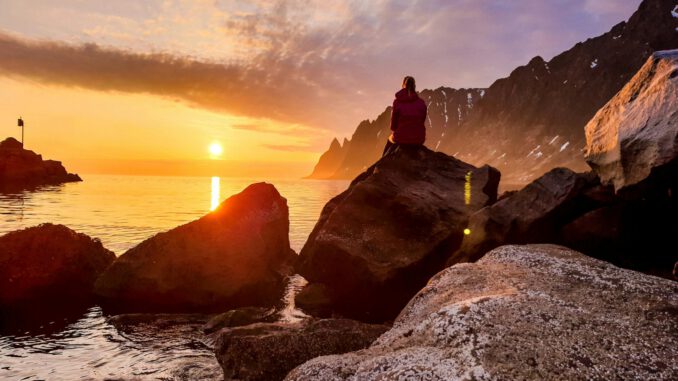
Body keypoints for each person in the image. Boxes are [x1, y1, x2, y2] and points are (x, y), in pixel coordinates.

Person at [382, 76, 428, 156]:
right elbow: (422, 121)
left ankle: (382, 162)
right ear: (414, 86)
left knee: (389, 141)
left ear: (403, 85)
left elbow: (393, 126)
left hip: (401, 138)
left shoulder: (397, 102)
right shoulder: (421, 103)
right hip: (418, 139)